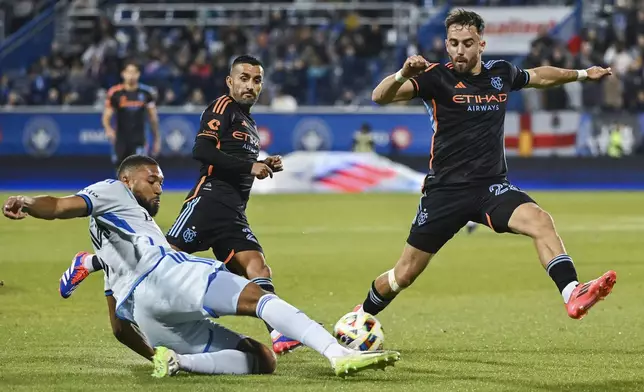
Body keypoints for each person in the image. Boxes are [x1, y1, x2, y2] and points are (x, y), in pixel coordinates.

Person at [3, 155, 400, 378]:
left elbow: (119, 328)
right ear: (127, 179)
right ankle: (337, 354)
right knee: (256, 296)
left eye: (160, 181)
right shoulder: (112, 190)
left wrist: (156, 352)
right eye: (151, 180)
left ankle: (179, 363)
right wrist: (27, 202)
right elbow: (59, 206)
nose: (159, 187)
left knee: (263, 359)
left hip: (146, 312)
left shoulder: (124, 234)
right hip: (168, 274)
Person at [352, 9, 617, 321]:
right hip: (445, 193)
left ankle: (572, 292)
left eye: (467, 43)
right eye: (454, 43)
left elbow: (539, 76)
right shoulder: (435, 78)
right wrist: (402, 74)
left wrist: (583, 74)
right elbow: (379, 96)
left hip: (490, 188)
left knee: (540, 221)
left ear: (481, 44)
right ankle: (356, 318)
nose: (460, 50)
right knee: (403, 275)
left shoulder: (500, 73)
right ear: (447, 45)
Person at [60, 55, 300, 355]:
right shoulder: (221, 107)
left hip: (233, 212)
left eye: (256, 80)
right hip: (208, 201)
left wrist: (260, 163)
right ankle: (91, 261)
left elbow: (236, 159)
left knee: (257, 266)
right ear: (230, 81)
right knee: (159, 259)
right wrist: (250, 167)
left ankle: (278, 332)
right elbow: (201, 150)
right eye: (244, 78)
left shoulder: (248, 121)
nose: (250, 85)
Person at [102, 62, 161, 169]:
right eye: (128, 72)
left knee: (138, 170)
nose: (131, 75)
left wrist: (156, 138)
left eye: (134, 72)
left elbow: (153, 118)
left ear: (138, 74)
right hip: (120, 139)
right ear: (123, 74)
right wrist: (108, 129)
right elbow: (107, 115)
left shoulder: (146, 93)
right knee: (120, 171)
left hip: (139, 139)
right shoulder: (115, 93)